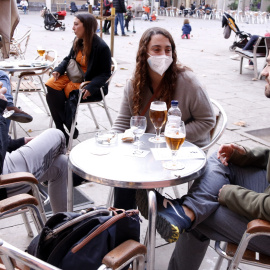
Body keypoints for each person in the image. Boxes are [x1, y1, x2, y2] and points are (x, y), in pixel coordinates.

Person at [136, 55, 270, 268]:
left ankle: (186, 213)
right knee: (220, 160)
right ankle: (185, 212)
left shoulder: (187, 81)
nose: (263, 72)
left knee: (201, 217)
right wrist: (245, 155)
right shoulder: (137, 82)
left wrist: (229, 194)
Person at [111, 27, 216, 211]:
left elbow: (207, 121)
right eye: (157, 49)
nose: (164, 55)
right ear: (144, 53)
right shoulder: (134, 83)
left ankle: (148, 210)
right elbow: (122, 120)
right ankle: (129, 221)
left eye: (168, 50)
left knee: (129, 179)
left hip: (183, 148)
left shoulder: (189, 82)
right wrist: (111, 141)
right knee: (123, 172)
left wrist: (171, 136)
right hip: (149, 147)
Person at [0, 85, 68, 214]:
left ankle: (62, 225)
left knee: (61, 163)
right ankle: (69, 175)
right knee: (56, 134)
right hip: (5, 182)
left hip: (7, 167)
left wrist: (22, 141)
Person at [45, 13, 111, 145]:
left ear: (86, 26)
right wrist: (58, 69)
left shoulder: (101, 47)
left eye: (76, 24)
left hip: (88, 82)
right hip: (74, 76)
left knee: (57, 95)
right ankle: (64, 125)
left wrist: (91, 86)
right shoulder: (78, 41)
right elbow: (68, 59)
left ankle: (63, 126)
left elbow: (105, 74)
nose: (73, 28)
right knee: (50, 85)